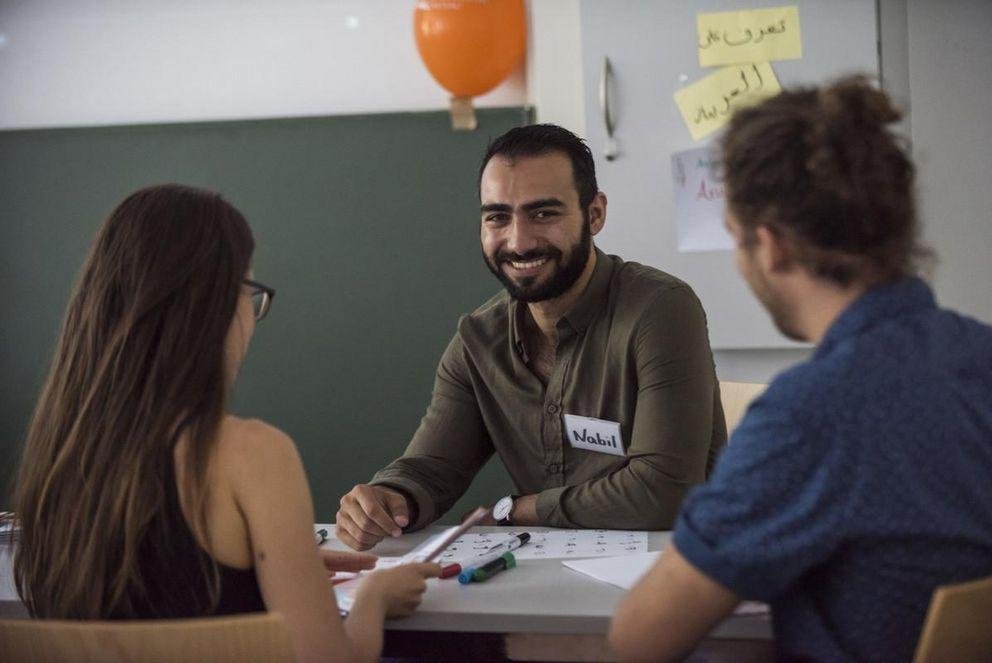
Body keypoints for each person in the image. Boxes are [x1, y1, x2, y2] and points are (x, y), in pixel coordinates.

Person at [609, 76, 992, 662]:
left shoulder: (809, 412)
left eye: (736, 240)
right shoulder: (979, 355)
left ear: (772, 245)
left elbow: (641, 636)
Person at [12, 185, 440, 663]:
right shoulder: (252, 452)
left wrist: (267, 569)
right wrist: (374, 598)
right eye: (248, 290)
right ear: (215, 302)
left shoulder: (58, 454)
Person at [337, 124, 726, 550]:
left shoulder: (661, 309)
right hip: (545, 578)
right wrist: (390, 497)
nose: (519, 242)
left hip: (674, 574)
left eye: (544, 214)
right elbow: (431, 469)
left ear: (594, 214)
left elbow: (662, 491)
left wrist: (521, 509)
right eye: (498, 217)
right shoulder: (478, 340)